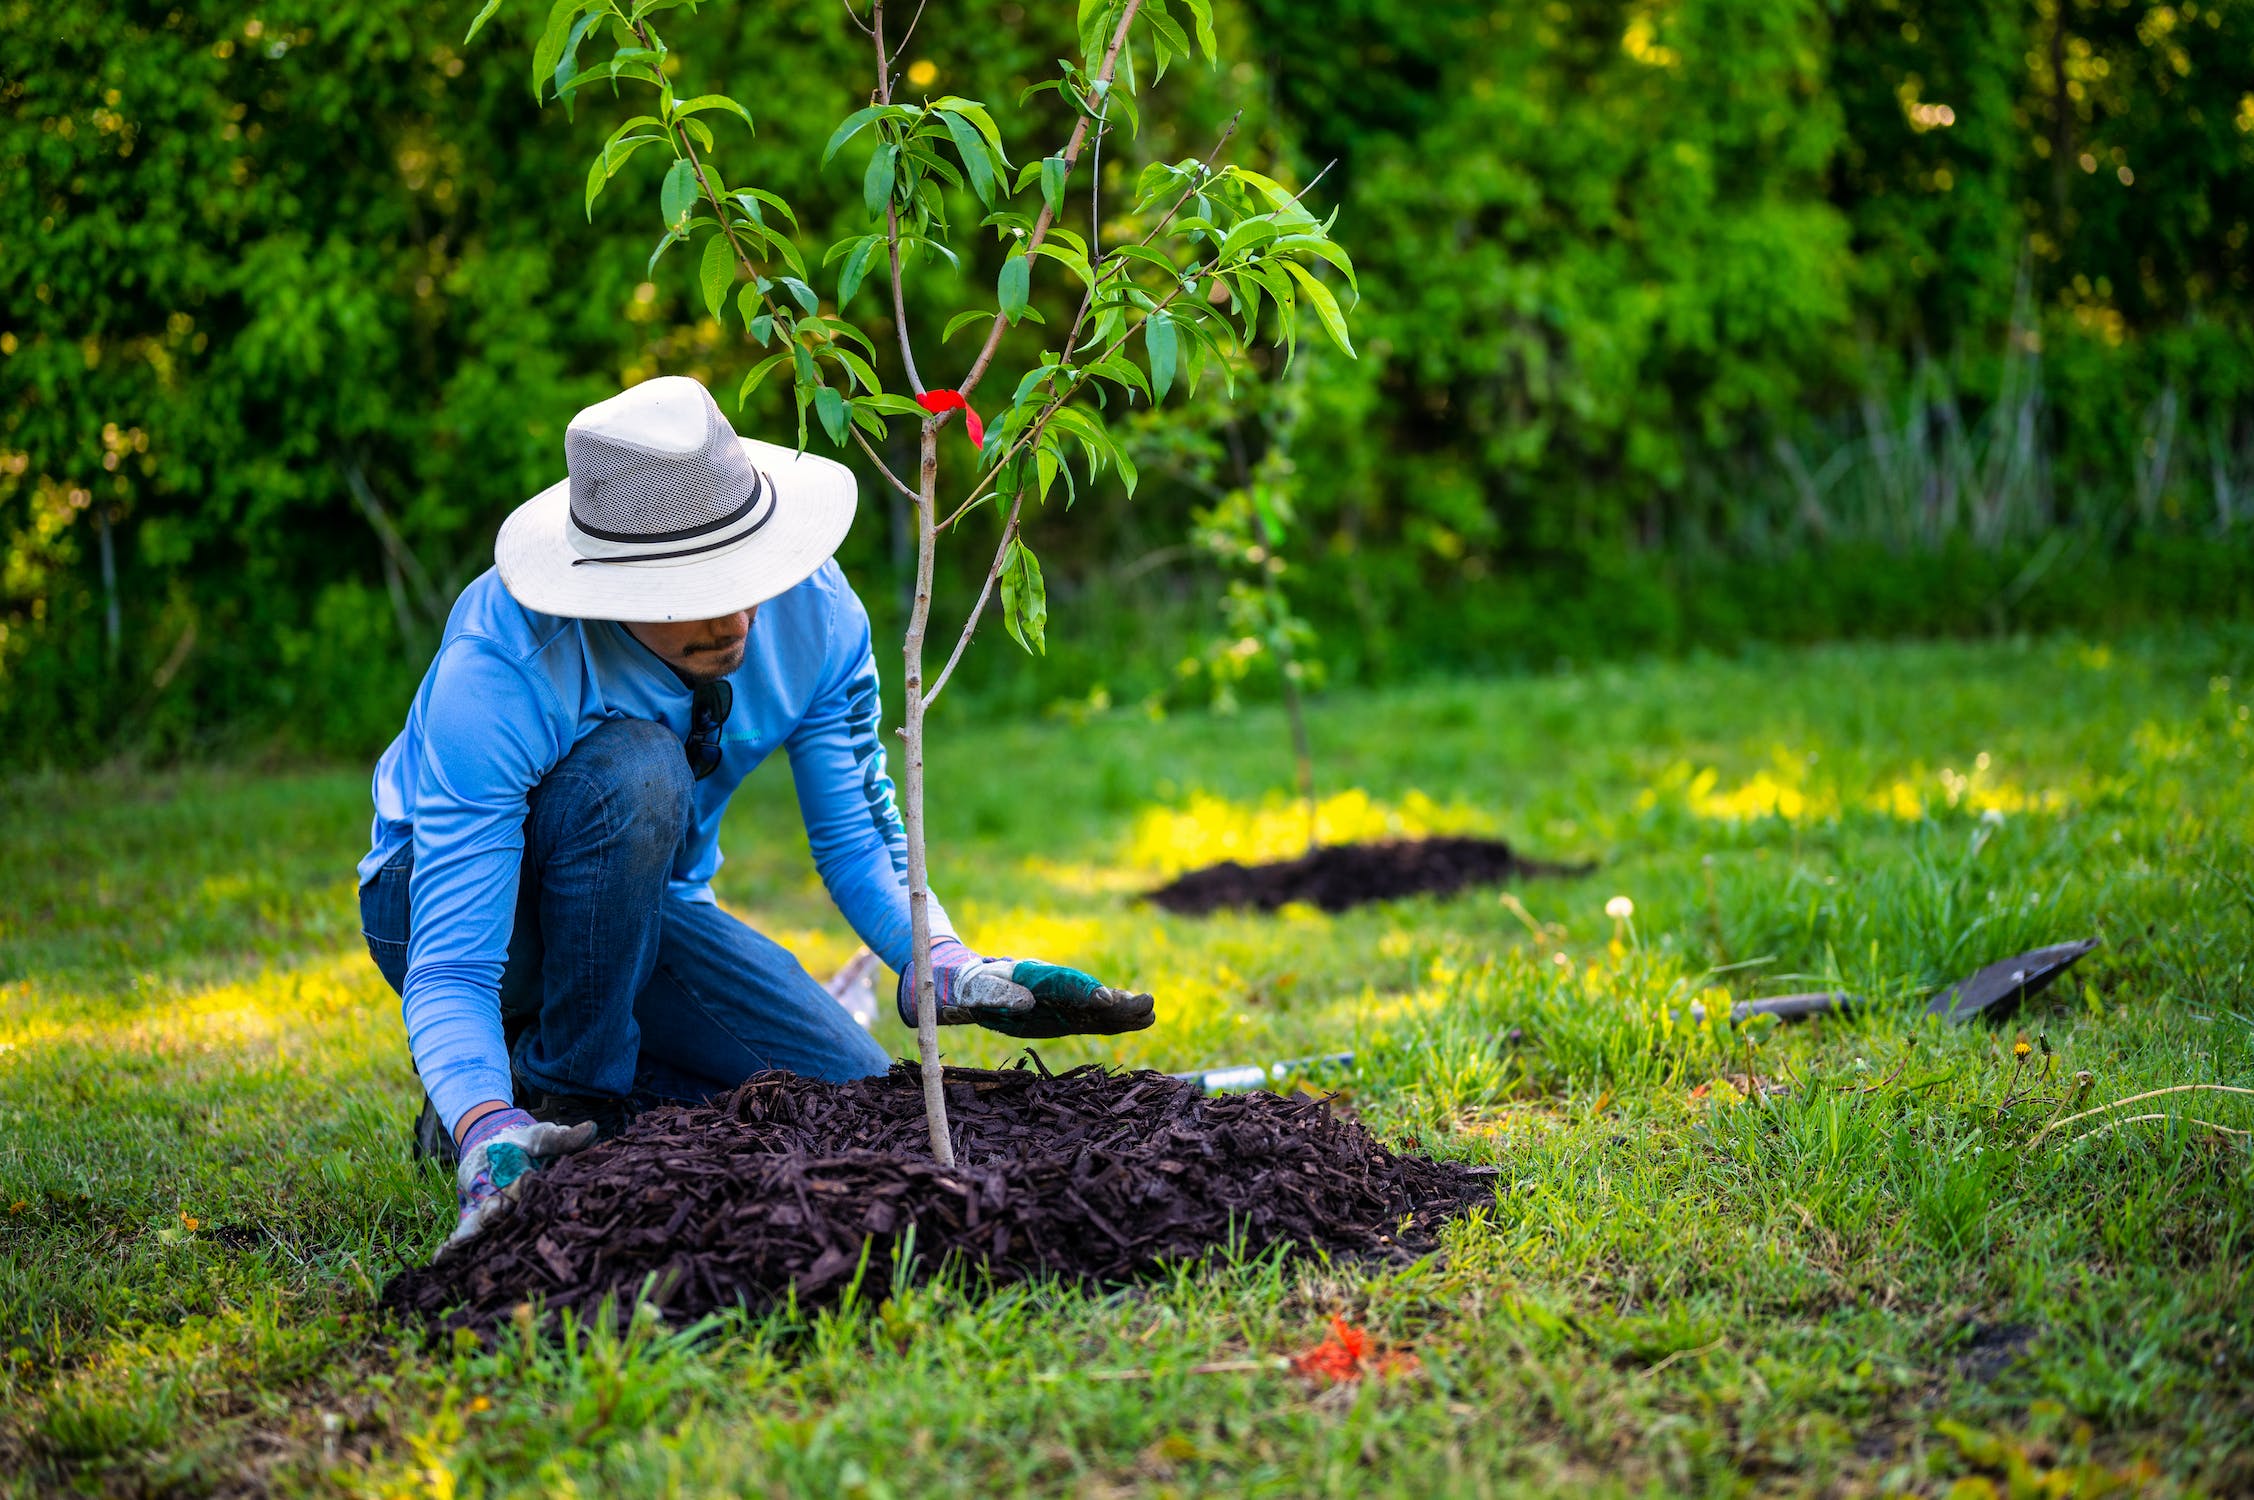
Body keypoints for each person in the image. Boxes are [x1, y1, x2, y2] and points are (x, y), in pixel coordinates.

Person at [357, 375, 1153, 1248]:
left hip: (645, 910)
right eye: (691, 589)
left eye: (746, 573)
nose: (736, 615)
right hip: (450, 910)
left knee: (845, 1093)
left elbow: (859, 832)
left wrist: (943, 963)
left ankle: (540, 1084)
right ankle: (542, 1102)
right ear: (610, 587)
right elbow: (453, 963)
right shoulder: (506, 666)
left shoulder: (815, 614)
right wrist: (483, 1124)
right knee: (638, 768)